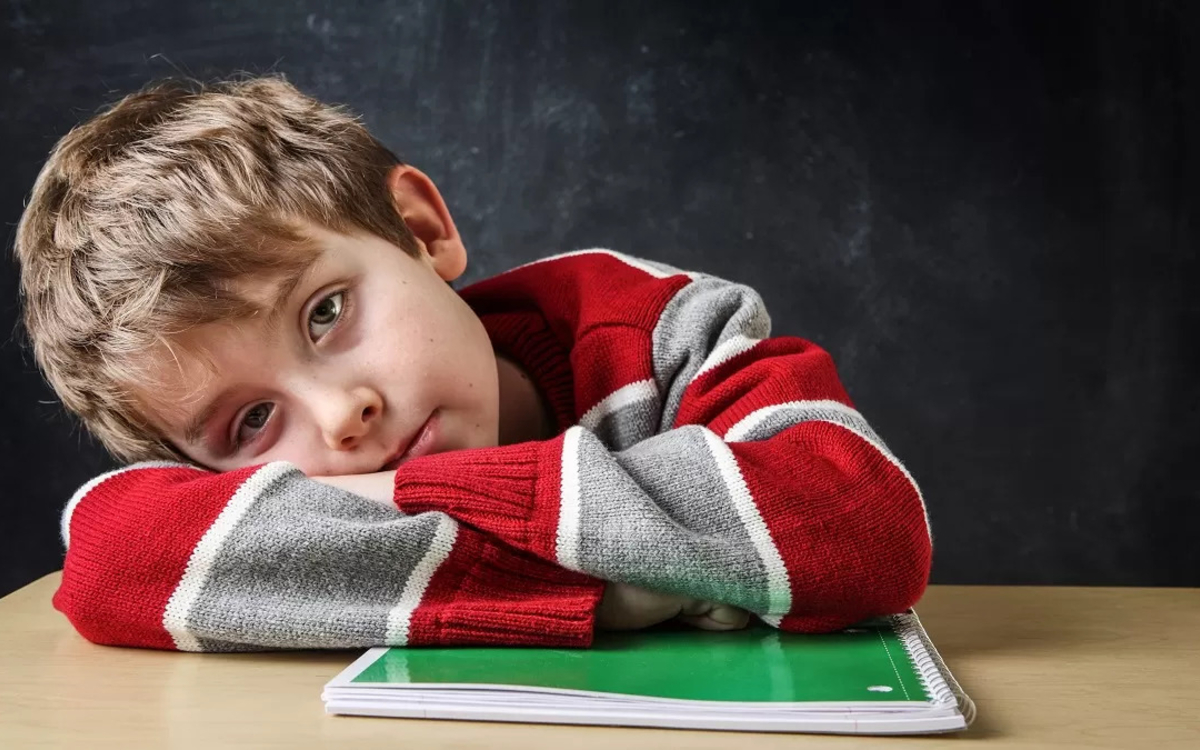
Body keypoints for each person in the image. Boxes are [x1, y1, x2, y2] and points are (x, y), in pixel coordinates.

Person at [13, 75, 932, 652]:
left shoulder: (658, 330)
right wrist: (628, 582)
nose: (340, 418)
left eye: (325, 313)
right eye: (252, 423)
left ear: (421, 231)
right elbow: (109, 554)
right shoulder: (321, 437)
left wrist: (379, 518)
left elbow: (859, 520)